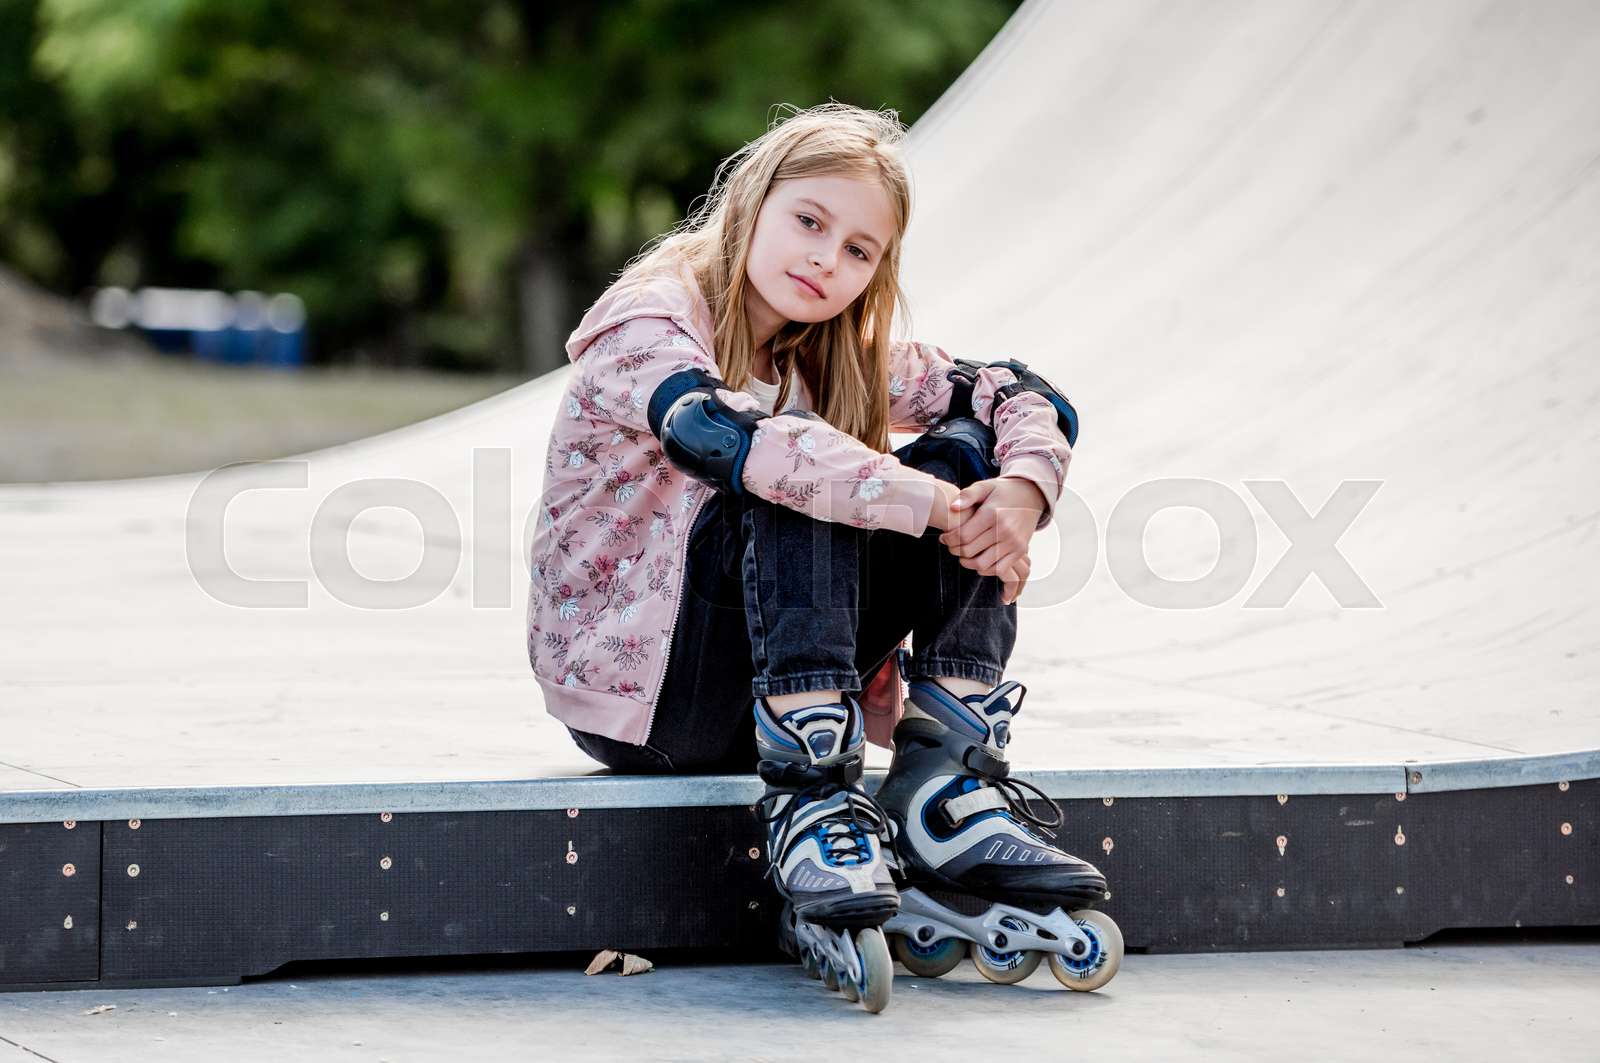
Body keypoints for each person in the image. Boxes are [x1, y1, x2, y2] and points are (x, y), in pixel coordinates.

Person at [527, 102, 1116, 1008]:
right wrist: (927, 503)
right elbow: (723, 437)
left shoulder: (825, 350)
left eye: (858, 250)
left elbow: (1016, 389)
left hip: (764, 677)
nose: (825, 261)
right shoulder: (647, 323)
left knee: (966, 446)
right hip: (648, 705)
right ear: (753, 203)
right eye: (809, 222)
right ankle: (811, 795)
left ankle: (943, 783)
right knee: (802, 465)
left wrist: (1019, 494)